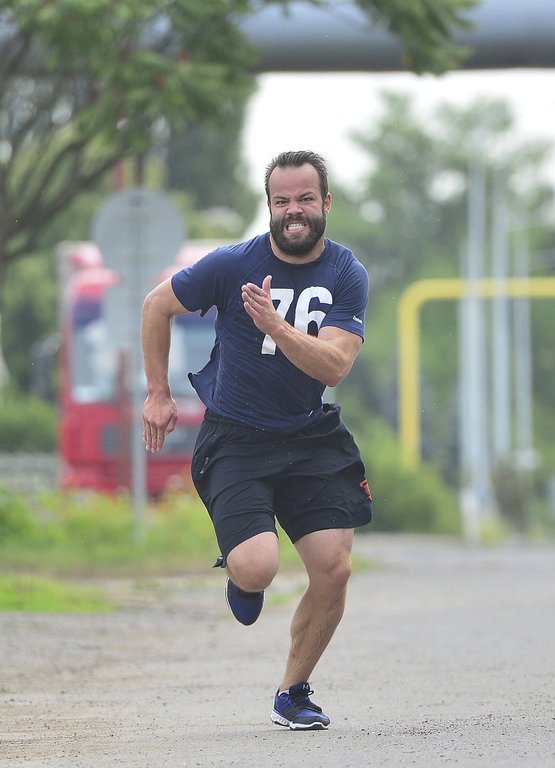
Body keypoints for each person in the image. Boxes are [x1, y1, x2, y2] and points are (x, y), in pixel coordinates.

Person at [141, 150, 373, 730]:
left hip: (310, 436)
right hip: (236, 438)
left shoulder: (346, 273)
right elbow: (156, 305)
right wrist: (158, 394)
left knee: (334, 569)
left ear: (325, 203)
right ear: (269, 206)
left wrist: (276, 325)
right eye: (281, 201)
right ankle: (240, 575)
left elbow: (334, 366)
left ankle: (293, 692)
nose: (293, 211)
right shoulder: (232, 263)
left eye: (304, 199)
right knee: (258, 569)